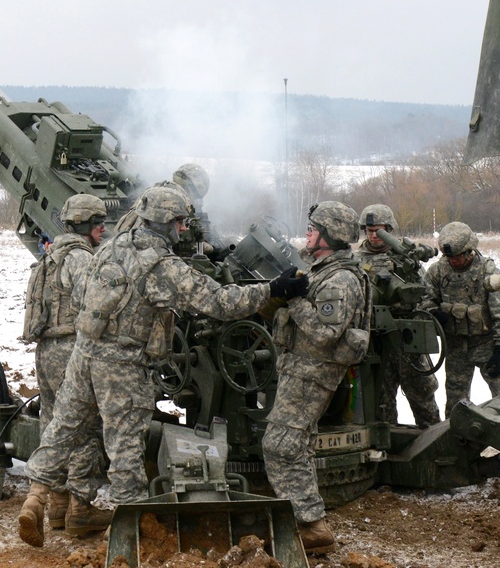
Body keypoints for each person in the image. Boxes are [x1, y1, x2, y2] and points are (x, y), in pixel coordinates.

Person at [17, 184, 309, 548]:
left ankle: (35, 500)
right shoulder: (162, 265)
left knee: (63, 427)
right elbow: (217, 301)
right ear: (166, 223)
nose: (184, 229)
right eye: (180, 222)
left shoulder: (110, 247)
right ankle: (130, 530)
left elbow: (81, 296)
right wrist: (272, 289)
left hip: (84, 353)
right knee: (125, 447)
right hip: (122, 364)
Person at [264, 201, 371, 556]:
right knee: (299, 444)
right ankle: (308, 521)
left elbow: (325, 333)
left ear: (330, 235)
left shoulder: (339, 279)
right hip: (301, 368)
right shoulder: (323, 269)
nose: (307, 233)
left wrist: (291, 300)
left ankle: (311, 525)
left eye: (313, 228)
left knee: (279, 444)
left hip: (313, 371)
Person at [21, 194, 109, 535]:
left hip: (46, 350)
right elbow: (94, 302)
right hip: (72, 348)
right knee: (85, 426)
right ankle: (80, 509)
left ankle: (57, 507)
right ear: (85, 226)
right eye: (98, 222)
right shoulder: (80, 258)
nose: (103, 228)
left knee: (54, 424)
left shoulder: (51, 256)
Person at [418, 221, 500, 418]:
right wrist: (434, 312)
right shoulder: (438, 271)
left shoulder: (487, 272)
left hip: (486, 344)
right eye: (449, 257)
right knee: (456, 404)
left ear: (469, 251)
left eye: (457, 257)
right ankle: (456, 442)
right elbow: (424, 300)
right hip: (455, 347)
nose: (453, 261)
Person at [355, 204, 441, 428]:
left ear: (389, 229)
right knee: (381, 403)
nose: (374, 235)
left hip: (407, 338)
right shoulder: (355, 260)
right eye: (369, 230)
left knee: (423, 396)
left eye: (379, 230)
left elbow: (426, 293)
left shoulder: (404, 256)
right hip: (375, 340)